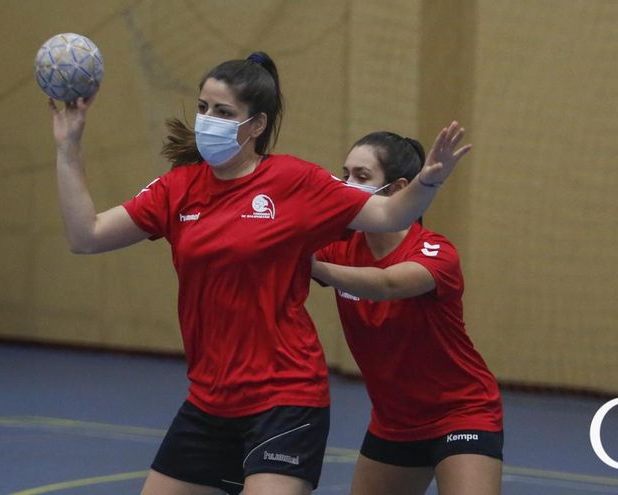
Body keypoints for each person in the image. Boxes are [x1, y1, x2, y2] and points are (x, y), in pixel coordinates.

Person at [48, 51, 471, 495]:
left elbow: (388, 213)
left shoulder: (296, 182)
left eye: (224, 112)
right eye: (203, 108)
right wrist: (68, 147)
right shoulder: (177, 189)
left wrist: (428, 181)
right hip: (209, 401)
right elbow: (86, 235)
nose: (208, 120)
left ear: (256, 126)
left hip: (286, 399)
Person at [312, 131, 503, 495]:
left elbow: (387, 284)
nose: (346, 185)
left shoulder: (435, 252)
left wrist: (314, 268)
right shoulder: (338, 245)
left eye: (361, 177)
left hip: (461, 413)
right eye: (345, 174)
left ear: (398, 187)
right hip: (394, 422)